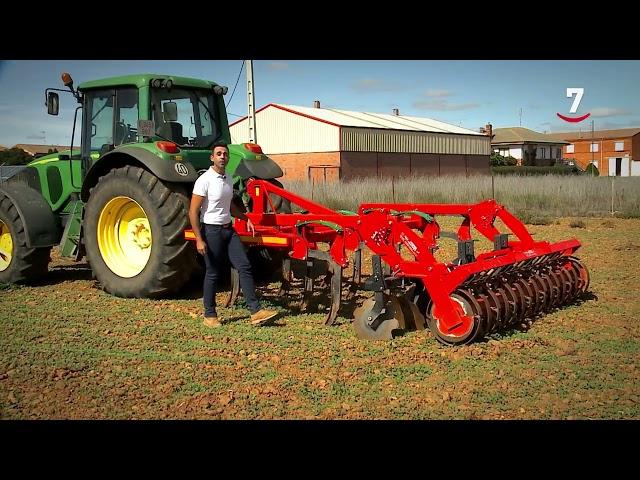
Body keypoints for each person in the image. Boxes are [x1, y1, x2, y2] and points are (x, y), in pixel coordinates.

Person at [189, 142, 278, 328]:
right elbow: (193, 211)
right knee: (212, 272)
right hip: (211, 231)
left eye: (225, 154)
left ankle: (255, 312)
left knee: (244, 266)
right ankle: (209, 315)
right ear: (212, 158)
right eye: (219, 154)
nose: (222, 156)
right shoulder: (204, 180)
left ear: (228, 158)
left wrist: (245, 218)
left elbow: (229, 206)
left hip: (228, 230)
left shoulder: (228, 177)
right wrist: (199, 239)